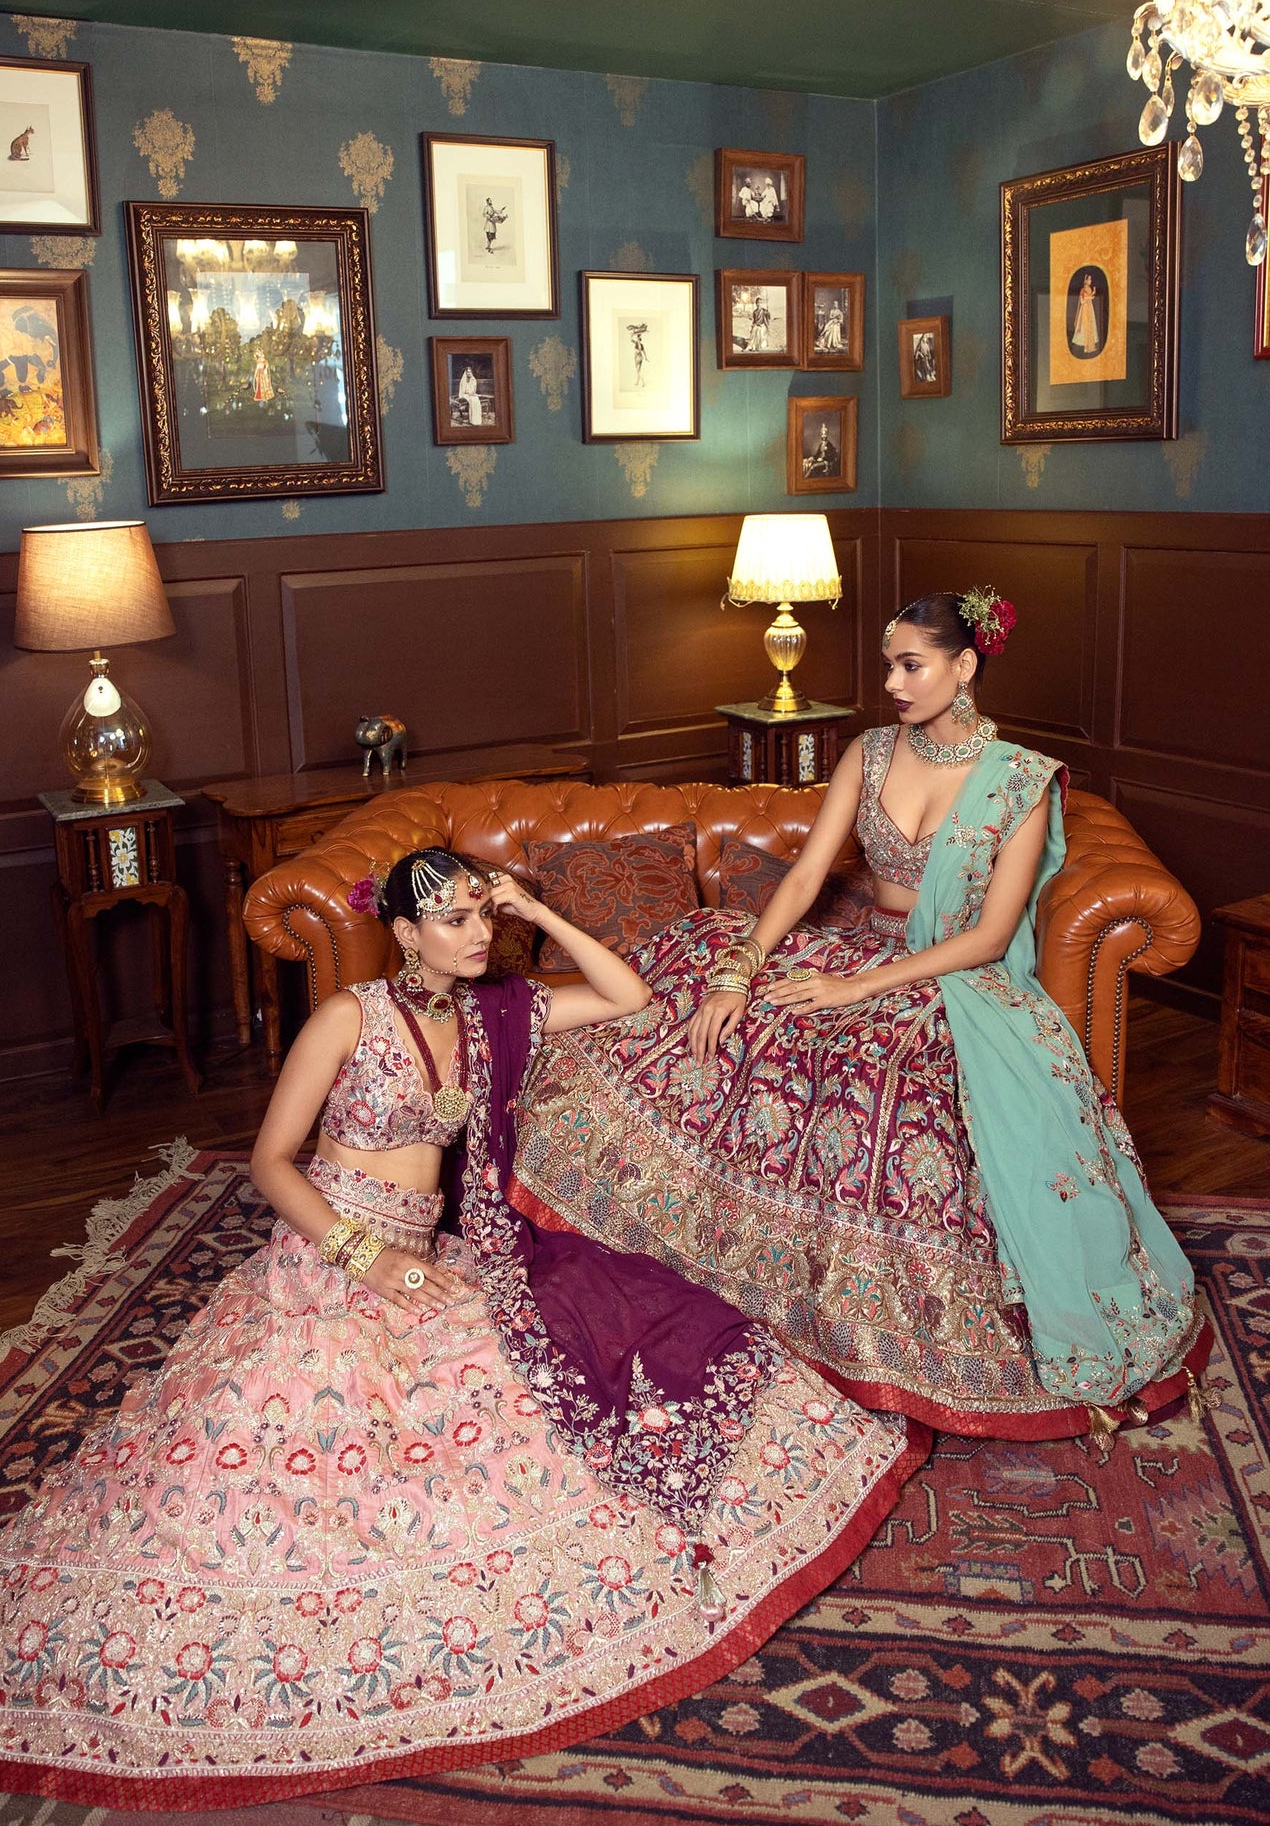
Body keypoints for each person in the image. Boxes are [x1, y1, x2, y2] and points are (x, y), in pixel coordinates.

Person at [0, 852, 919, 1810]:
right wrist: (364, 1257)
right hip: (332, 1257)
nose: (476, 933)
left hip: (435, 1253)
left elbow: (628, 995)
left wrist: (536, 908)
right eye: (452, 919)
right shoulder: (347, 1017)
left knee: (593, 1366)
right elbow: (269, 1161)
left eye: (481, 915)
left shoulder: (497, 1011)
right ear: (403, 933)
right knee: (309, 1453)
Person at [512, 591, 1209, 1444]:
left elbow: (990, 936)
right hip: (859, 947)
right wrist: (737, 971)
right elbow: (806, 877)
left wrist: (858, 992)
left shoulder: (1021, 781)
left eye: (911, 665)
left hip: (954, 974)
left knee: (888, 1071)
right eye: (888, 666)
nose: (891, 684)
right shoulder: (870, 752)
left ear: (965, 665)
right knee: (724, 1015)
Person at [1072, 272, 1101, 356]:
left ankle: (1090, 346)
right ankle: (1086, 347)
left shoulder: (1089, 289)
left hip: (1089, 308)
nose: (1091, 281)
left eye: (1091, 279)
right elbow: (1082, 301)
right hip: (1085, 309)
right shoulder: (1083, 289)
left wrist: (1093, 292)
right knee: (1085, 326)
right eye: (1089, 279)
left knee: (1090, 325)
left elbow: (1090, 296)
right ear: (1086, 280)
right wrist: (1089, 298)